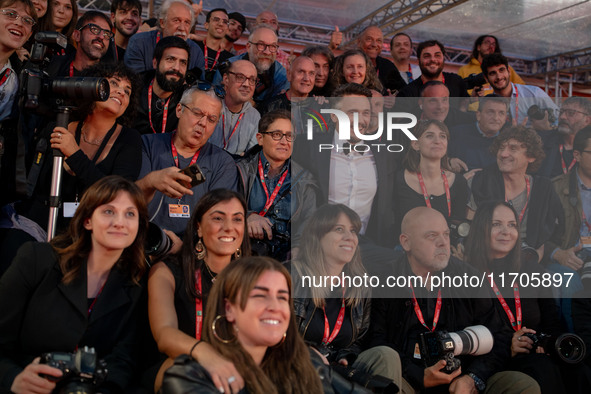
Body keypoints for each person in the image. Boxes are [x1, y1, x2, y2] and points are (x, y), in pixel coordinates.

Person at [0, 175, 149, 393]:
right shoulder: (36, 259)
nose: (120, 222)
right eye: (108, 211)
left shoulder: (136, 281)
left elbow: (124, 357)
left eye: (130, 214)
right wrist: (12, 379)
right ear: (87, 220)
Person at [370, 207, 540, 394]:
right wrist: (420, 376)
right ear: (406, 242)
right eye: (431, 236)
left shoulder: (468, 277)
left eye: (446, 234)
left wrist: (473, 378)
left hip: (460, 380)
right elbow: (377, 342)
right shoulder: (384, 279)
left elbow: (499, 335)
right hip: (408, 378)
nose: (443, 243)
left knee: (521, 385)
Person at [463, 201, 588, 393]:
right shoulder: (467, 276)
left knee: (578, 369)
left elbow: (552, 323)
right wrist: (509, 347)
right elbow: (470, 335)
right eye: (497, 224)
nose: (506, 231)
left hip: (536, 355)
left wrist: (546, 343)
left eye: (512, 225)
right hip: (496, 360)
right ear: (481, 228)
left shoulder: (533, 271)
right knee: (542, 369)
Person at [160, 256, 323, 394]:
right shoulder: (189, 376)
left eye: (282, 297)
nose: (275, 307)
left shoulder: (306, 366)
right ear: (229, 309)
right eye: (260, 295)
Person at [18, 62, 142, 235]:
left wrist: (74, 154)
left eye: (127, 91)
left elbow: (117, 194)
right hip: (39, 225)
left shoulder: (130, 140)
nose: (121, 92)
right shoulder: (59, 126)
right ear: (92, 87)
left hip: (91, 232)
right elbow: (36, 186)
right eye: (114, 83)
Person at [147, 189, 250, 392]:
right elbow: (164, 335)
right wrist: (205, 353)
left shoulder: (254, 279)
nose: (229, 228)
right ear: (199, 228)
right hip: (181, 368)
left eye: (237, 220)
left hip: (238, 370)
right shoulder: (167, 271)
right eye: (218, 218)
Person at [290, 204, 401, 388]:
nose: (350, 237)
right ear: (318, 236)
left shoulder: (360, 286)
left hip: (338, 368)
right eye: (339, 230)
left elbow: (358, 342)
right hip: (297, 363)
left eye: (353, 231)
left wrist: (344, 357)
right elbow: (278, 334)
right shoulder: (292, 275)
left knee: (386, 355)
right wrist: (308, 352)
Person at [136, 85, 239, 237]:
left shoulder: (222, 163)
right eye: (197, 113)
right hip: (144, 240)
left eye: (212, 119)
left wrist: (184, 248)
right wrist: (150, 182)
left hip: (193, 250)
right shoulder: (147, 145)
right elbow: (126, 201)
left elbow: (220, 221)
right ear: (179, 110)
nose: (203, 123)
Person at [469, 126, 563, 262]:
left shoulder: (543, 188)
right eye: (501, 148)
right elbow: (470, 229)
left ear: (531, 156)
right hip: (486, 258)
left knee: (566, 279)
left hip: (529, 259)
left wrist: (531, 264)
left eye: (513, 149)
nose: (503, 154)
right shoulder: (480, 182)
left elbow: (547, 235)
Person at [236, 110, 318, 262]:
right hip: (245, 251)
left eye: (289, 136)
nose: (284, 141)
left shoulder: (305, 179)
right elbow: (224, 207)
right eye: (277, 134)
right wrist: (248, 216)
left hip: (286, 256)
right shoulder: (241, 170)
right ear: (260, 139)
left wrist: (298, 247)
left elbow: (309, 221)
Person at [394, 119, 468, 243]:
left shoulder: (459, 182)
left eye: (442, 137)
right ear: (415, 144)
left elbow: (458, 225)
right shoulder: (399, 179)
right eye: (429, 136)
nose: (437, 141)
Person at [124, 0, 205, 75]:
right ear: (162, 23)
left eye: (187, 22)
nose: (182, 28)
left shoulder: (196, 52)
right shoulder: (139, 43)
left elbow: (198, 87)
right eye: (176, 20)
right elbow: (135, 82)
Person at [215, 26, 289, 106]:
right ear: (248, 47)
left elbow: (278, 108)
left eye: (272, 46)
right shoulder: (228, 67)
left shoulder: (281, 74)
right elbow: (214, 99)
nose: (267, 52)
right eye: (261, 45)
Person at [481, 53, 558, 126]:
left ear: (509, 71)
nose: (499, 76)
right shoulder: (487, 103)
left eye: (501, 70)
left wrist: (547, 128)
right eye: (492, 73)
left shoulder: (534, 93)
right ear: (486, 78)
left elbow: (558, 118)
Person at [135, 36, 190, 135]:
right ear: (155, 63)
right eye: (170, 59)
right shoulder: (133, 89)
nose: (176, 68)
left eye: (183, 62)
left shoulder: (188, 99)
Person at [210, 59, 260, 156]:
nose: (246, 84)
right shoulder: (209, 104)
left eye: (252, 80)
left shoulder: (254, 116)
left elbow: (250, 159)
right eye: (240, 77)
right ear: (226, 79)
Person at [47, 11, 114, 78]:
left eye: (107, 34)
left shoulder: (110, 77)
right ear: (77, 35)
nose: (101, 37)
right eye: (95, 29)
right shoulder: (53, 67)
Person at [538, 97, 591, 178]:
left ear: (587, 120)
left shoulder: (588, 148)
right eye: (561, 112)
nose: (562, 117)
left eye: (571, 113)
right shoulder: (541, 141)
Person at [458, 35, 525, 98]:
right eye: (487, 43)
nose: (491, 46)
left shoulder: (506, 68)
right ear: (478, 47)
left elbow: (522, 89)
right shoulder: (464, 70)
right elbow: (458, 94)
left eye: (493, 44)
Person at [356, 25, 405, 93]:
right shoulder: (344, 62)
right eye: (369, 39)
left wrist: (394, 98)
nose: (374, 44)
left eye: (378, 40)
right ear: (359, 42)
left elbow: (404, 92)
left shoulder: (387, 66)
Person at [196, 8, 233, 82]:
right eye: (216, 20)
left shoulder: (230, 59)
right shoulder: (194, 47)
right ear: (206, 25)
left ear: (227, 29)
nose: (220, 24)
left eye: (225, 22)